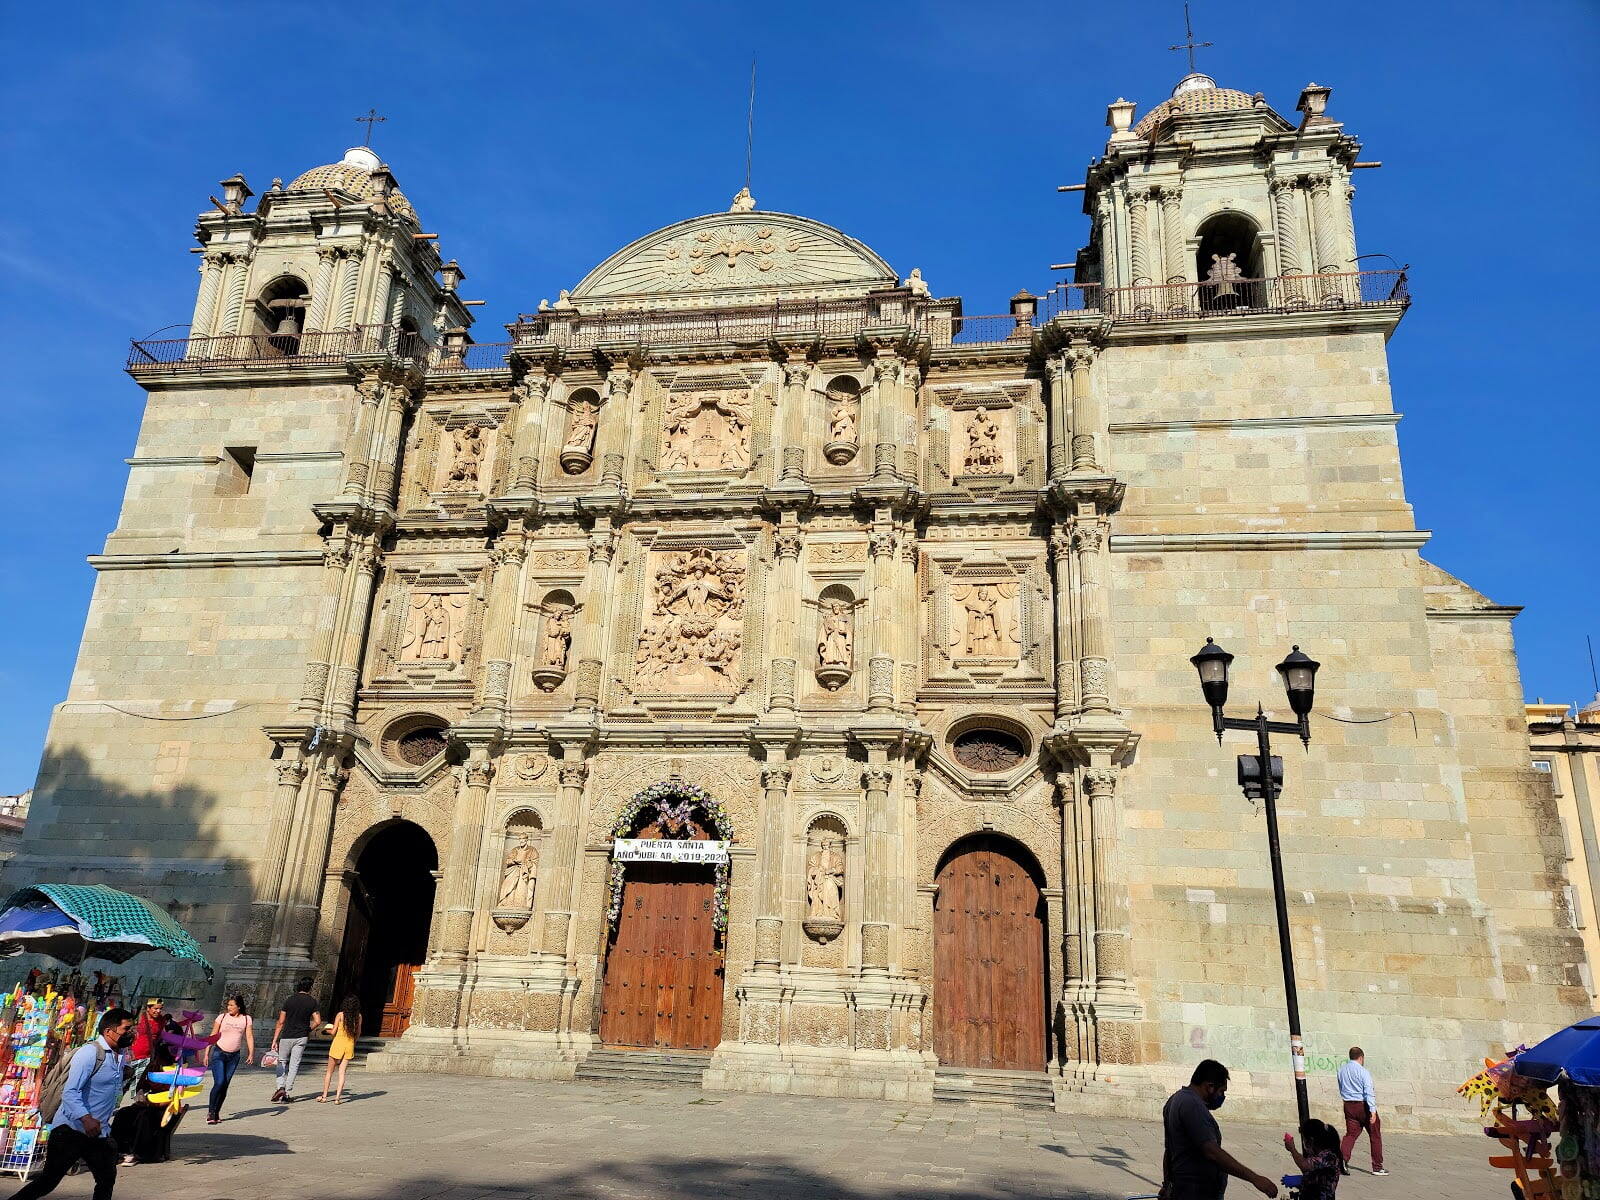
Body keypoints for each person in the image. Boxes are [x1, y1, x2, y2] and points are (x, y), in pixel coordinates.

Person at [8, 1007, 134, 1200]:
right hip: (71, 1130)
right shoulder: (89, 1053)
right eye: (126, 1029)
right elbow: (70, 1092)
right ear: (109, 1031)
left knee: (106, 1180)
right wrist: (86, 1118)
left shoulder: (120, 1055)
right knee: (48, 1181)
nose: (130, 1033)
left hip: (99, 1133)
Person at [1160, 1059, 1277, 1199]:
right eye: (1221, 1091)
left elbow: (1169, 1151)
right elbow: (1212, 1152)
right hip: (1196, 1191)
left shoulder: (1175, 1099)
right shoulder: (1193, 1105)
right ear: (1210, 1087)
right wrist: (1254, 1178)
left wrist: (1167, 1185)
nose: (1222, 1096)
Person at [201, 995, 254, 1124]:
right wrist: (206, 1053)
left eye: (231, 1005)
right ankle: (211, 1112)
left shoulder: (246, 1019)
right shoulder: (222, 1017)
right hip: (219, 1053)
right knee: (219, 1082)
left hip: (234, 1056)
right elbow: (213, 1035)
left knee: (225, 1085)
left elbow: (249, 1036)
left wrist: (251, 1053)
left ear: (239, 1006)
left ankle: (217, 1112)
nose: (229, 1007)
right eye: (228, 1005)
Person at [1336, 1046, 1387, 1175]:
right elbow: (1369, 1091)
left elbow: (1341, 1087)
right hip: (1363, 1106)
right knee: (1375, 1135)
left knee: (1351, 1134)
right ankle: (1377, 1167)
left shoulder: (1341, 1070)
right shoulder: (1363, 1072)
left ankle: (1342, 1160)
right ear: (1361, 1057)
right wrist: (1373, 1111)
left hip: (1348, 1105)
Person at [269, 977, 321, 1103]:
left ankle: (280, 1087)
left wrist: (275, 1039)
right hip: (301, 1036)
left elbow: (281, 1022)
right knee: (294, 1065)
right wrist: (308, 1030)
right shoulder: (312, 1002)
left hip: (287, 1035)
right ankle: (286, 1092)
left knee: (282, 1062)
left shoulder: (289, 1000)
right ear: (310, 987)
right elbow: (318, 1021)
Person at [1282, 1119, 1344, 1200]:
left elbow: (1305, 1165)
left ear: (1311, 1141)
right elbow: (1313, 1176)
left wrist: (1292, 1149)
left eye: (1304, 1140)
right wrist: (1301, 1182)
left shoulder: (1329, 1156)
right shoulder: (1318, 1155)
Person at [317, 997, 361, 1104]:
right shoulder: (358, 1016)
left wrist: (325, 1030)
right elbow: (358, 1033)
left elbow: (333, 1032)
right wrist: (353, 1043)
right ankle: (337, 1098)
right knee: (342, 1072)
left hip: (338, 1044)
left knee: (329, 1072)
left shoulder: (340, 1015)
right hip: (349, 1044)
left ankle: (324, 1096)